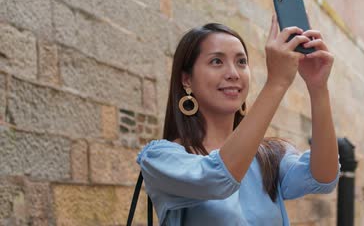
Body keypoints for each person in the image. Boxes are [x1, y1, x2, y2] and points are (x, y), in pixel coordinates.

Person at [136, 16, 340, 225]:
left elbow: (323, 179)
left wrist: (318, 87)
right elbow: (218, 178)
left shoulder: (269, 156)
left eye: (241, 62)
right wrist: (277, 83)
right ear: (187, 79)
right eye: (217, 61)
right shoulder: (160, 159)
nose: (233, 73)